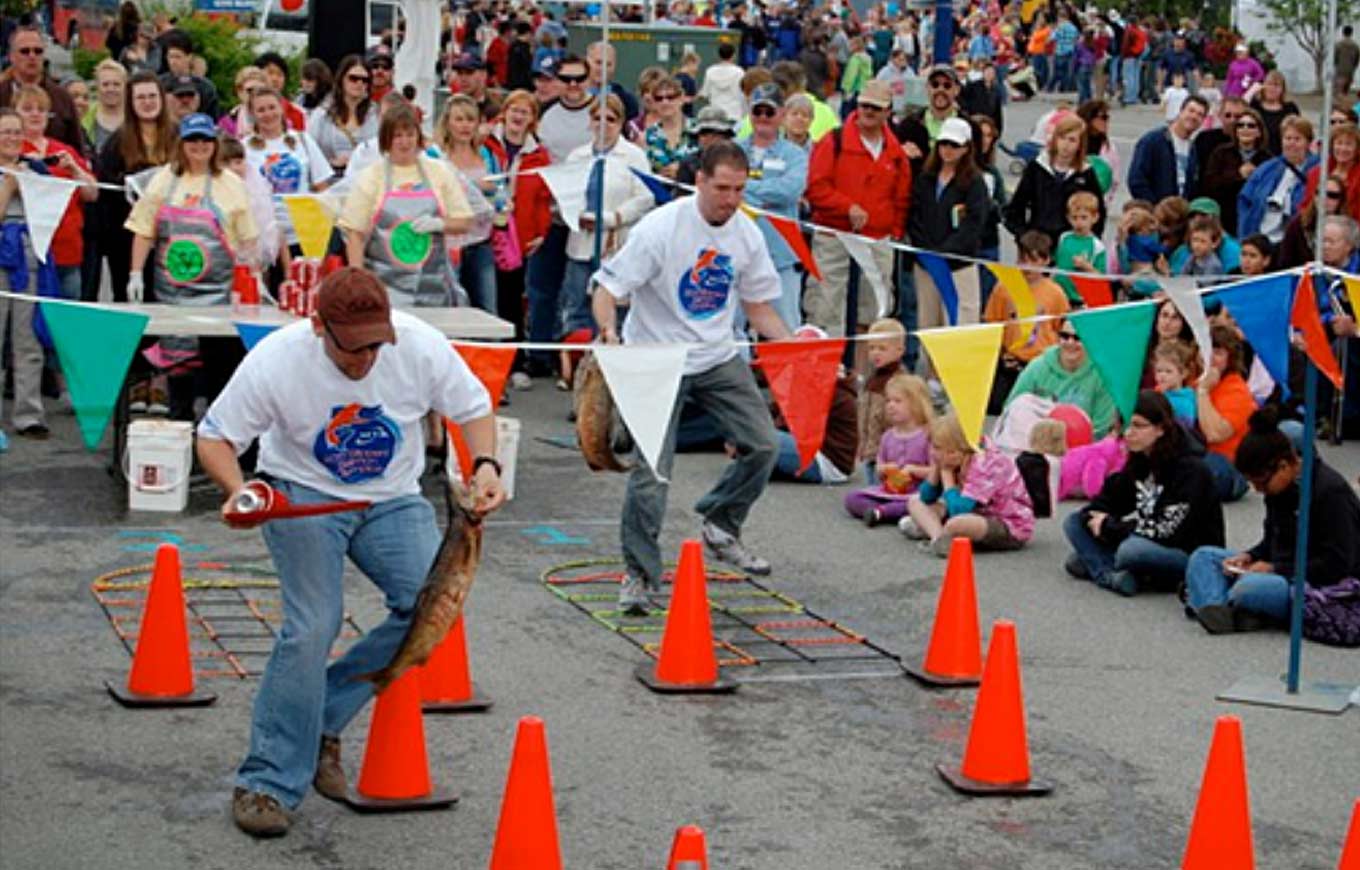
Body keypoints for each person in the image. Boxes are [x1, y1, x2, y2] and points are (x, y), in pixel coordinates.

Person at [196, 267, 506, 838]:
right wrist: (238, 490)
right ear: (318, 327)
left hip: (391, 498)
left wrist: (485, 465)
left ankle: (320, 719)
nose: (366, 360)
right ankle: (267, 780)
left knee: (428, 608)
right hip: (301, 495)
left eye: (376, 345)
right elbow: (214, 435)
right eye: (353, 349)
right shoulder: (278, 359)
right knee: (312, 626)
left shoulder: (417, 344)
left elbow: (472, 408)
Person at [590, 141, 792, 614]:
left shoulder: (747, 234)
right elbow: (608, 288)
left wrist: (793, 349)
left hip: (716, 355)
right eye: (722, 188)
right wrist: (607, 330)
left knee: (764, 444)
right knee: (651, 475)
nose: (731, 199)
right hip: (656, 357)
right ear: (699, 181)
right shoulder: (661, 228)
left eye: (740, 190)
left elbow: (759, 307)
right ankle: (639, 574)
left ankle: (721, 522)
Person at [125, 113, 259, 418]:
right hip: (173, 294)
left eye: (205, 140)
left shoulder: (231, 185)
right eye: (192, 140)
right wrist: (135, 274)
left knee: (220, 373)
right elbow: (144, 231)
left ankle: (217, 437)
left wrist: (252, 280)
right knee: (178, 367)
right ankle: (180, 434)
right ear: (181, 144)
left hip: (220, 296)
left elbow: (248, 239)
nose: (199, 146)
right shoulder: (163, 181)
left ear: (214, 144)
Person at [1186, 408, 1360, 633]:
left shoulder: (1330, 492)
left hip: (1317, 582)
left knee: (1249, 588)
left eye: (1261, 483)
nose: (1258, 491)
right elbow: (1271, 542)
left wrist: (1275, 569)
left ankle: (1219, 603)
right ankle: (1229, 611)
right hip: (1280, 570)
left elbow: (1337, 564)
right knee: (1204, 557)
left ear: (1284, 466)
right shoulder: (1278, 491)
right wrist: (1250, 556)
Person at [1063, 390, 1223, 596]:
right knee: (1073, 523)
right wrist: (1095, 516)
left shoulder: (1191, 469)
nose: (1128, 433)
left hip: (1186, 550)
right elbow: (1110, 500)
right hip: (1149, 538)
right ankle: (1116, 575)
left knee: (1129, 552)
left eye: (1138, 425)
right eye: (1125, 425)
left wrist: (1109, 527)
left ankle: (1108, 571)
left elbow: (1168, 530)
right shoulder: (1140, 459)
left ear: (1161, 429)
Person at [804, 80, 911, 339]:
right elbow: (816, 187)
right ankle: (829, 372)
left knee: (875, 311)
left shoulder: (895, 152)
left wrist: (893, 230)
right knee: (826, 309)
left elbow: (902, 195)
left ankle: (865, 373)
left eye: (876, 107)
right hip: (834, 234)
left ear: (888, 112)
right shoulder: (833, 141)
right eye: (864, 106)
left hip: (877, 238)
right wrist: (847, 207)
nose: (869, 112)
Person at [339, 101, 472, 307]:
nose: (404, 142)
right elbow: (354, 234)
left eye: (410, 135)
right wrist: (359, 283)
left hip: (434, 290)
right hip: (383, 290)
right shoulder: (371, 177)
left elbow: (465, 222)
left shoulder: (440, 172)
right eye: (397, 136)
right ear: (386, 140)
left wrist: (439, 224)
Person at [558, 93, 652, 379]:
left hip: (616, 243)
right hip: (581, 244)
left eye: (610, 119)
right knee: (576, 309)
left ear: (621, 123)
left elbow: (645, 197)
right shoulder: (578, 156)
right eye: (596, 118)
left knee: (615, 310)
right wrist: (575, 215)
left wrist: (613, 219)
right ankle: (576, 374)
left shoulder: (634, 156)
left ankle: (614, 374)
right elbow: (566, 193)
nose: (603, 125)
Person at [900, 411, 1034, 557]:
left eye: (937, 448)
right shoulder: (952, 460)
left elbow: (959, 511)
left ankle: (935, 531)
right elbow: (927, 497)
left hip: (1007, 524)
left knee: (957, 523)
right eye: (932, 446)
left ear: (955, 451)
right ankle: (939, 539)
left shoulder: (987, 463)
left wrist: (946, 476)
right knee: (915, 501)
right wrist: (936, 470)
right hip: (974, 513)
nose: (932, 452)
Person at [96, 71, 177, 304]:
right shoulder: (117, 142)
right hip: (127, 237)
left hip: (171, 234)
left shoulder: (178, 136)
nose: (148, 102)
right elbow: (108, 192)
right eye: (140, 98)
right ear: (131, 103)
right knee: (129, 297)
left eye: (152, 96)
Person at [0, 107, 56, 440]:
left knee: (28, 338)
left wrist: (31, 181)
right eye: (4, 132)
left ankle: (29, 414)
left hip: (28, 254)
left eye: (15, 132)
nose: (10, 138)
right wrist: (10, 184)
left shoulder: (35, 168)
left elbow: (58, 206)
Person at [14, 85, 97, 301]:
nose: (35, 114)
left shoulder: (65, 151)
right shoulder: (11, 150)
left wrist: (75, 169)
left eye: (41, 109)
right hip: (27, 251)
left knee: (68, 317)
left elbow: (92, 194)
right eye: (28, 109)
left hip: (67, 251)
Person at [907, 116, 989, 335]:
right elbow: (915, 216)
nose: (948, 150)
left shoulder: (974, 182)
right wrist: (925, 249)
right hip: (926, 264)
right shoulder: (925, 178)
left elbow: (974, 222)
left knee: (959, 326)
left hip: (958, 266)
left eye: (955, 145)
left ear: (966, 148)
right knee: (928, 326)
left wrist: (946, 251)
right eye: (944, 143)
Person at [244, 88, 335, 279]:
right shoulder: (244, 147)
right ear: (252, 114)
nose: (268, 114)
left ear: (282, 108)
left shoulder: (302, 140)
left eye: (272, 107)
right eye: (261, 110)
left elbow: (322, 186)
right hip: (265, 235)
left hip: (302, 233)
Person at [738, 83, 808, 331]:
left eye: (770, 112)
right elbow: (720, 188)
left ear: (781, 114)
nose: (763, 118)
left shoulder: (794, 154)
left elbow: (790, 190)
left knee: (786, 328)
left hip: (780, 256)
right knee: (729, 331)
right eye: (758, 112)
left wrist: (744, 189)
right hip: (737, 256)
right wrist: (766, 191)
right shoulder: (733, 150)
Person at [984, 230, 1070, 412]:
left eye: (1035, 260)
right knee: (997, 407)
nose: (1028, 267)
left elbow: (1060, 327)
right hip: (1011, 362)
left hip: (1041, 363)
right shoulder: (1003, 288)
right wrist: (1001, 355)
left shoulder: (1056, 293)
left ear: (1046, 261)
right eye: (1023, 260)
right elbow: (993, 323)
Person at [1003, 112, 1106, 249]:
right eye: (1062, 138)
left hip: (1070, 247)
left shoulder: (1086, 173)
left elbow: (1099, 212)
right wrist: (1023, 235)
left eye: (1072, 140)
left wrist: (1089, 241)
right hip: (1038, 246)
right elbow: (1016, 207)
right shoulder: (1037, 167)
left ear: (1080, 145)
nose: (1066, 145)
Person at [843, 372, 933, 526]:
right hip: (890, 490)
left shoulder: (928, 435)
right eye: (888, 401)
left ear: (916, 404)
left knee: (918, 505)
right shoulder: (888, 436)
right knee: (852, 498)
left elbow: (936, 471)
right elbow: (879, 466)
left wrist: (914, 470)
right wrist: (885, 468)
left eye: (898, 401)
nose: (891, 405)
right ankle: (879, 511)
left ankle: (882, 512)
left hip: (917, 493)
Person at [1004, 320, 1118, 439]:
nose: (1070, 342)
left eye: (1077, 337)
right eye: (1065, 336)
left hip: (1084, 447)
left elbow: (1101, 428)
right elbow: (1012, 407)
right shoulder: (1037, 367)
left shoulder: (1102, 375)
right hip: (1036, 443)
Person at [0, 25, 86, 151]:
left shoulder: (62, 97)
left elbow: (77, 147)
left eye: (38, 51)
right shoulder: (2, 93)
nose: (32, 56)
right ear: (11, 56)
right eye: (25, 51)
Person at [1195, 324, 1255, 502]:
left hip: (1227, 464)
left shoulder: (1237, 389)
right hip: (1196, 454)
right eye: (1206, 350)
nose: (1210, 358)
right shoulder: (1189, 379)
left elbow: (1214, 434)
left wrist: (1203, 392)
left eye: (1218, 352)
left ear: (1230, 358)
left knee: (1207, 470)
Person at [1237, 115, 1319, 243]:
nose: (1291, 143)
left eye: (1297, 139)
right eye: (1288, 138)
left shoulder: (1317, 171)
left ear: (1308, 143)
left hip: (1292, 244)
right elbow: (1245, 199)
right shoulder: (1267, 168)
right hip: (1261, 240)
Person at [855, 318, 910, 483]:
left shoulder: (901, 380)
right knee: (872, 488)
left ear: (899, 350)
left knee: (890, 489)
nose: (875, 353)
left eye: (882, 348)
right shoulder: (871, 378)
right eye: (871, 348)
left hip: (893, 455)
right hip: (870, 450)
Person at [1199, 107, 1266, 237]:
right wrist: (1238, 175)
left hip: (1255, 222)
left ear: (1259, 132)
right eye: (1241, 125)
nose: (1245, 129)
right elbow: (1209, 185)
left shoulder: (1267, 159)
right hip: (1224, 220)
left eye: (1251, 126)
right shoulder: (1221, 153)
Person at [1126, 95, 1207, 202]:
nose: (1194, 117)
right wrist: (1156, 209)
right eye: (1191, 111)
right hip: (1155, 213)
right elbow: (1136, 181)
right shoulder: (1153, 141)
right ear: (1181, 111)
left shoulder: (1194, 149)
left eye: (1200, 115)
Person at [306, 56, 378, 176]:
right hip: (330, 179)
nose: (359, 83)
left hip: (366, 180)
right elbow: (309, 150)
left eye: (365, 80)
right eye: (353, 78)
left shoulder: (377, 115)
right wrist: (330, 163)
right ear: (342, 79)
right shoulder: (322, 114)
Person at [1053, 190, 1107, 306]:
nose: (1079, 222)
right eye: (1075, 218)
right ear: (1068, 218)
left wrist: (1086, 266)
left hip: (1079, 298)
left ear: (1095, 218)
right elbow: (1057, 262)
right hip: (1059, 294)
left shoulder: (1097, 246)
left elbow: (1101, 277)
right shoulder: (1064, 237)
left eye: (1084, 218)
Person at [641, 75, 696, 180]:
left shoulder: (698, 131)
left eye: (670, 97)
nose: (664, 102)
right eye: (659, 98)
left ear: (681, 98)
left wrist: (684, 170)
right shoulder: (646, 137)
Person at [1248, 71, 1300, 157]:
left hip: (1283, 155)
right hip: (1257, 156)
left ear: (1282, 89)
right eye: (1269, 84)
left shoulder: (1290, 108)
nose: (1272, 88)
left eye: (1276, 85)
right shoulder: (1254, 106)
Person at [1152, 339, 1198, 424]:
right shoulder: (1155, 395)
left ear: (1183, 373)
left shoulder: (1184, 402)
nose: (1162, 375)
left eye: (1168, 371)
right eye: (1159, 371)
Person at [699, 41, 744, 125]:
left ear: (719, 55)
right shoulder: (739, 72)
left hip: (715, 114)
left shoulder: (710, 71)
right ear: (733, 55)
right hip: (734, 113)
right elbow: (743, 93)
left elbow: (705, 94)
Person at [1336, 25, 1360, 96]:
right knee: (1345, 93)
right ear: (1351, 33)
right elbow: (1357, 60)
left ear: (1343, 33)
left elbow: (1335, 59)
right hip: (1350, 71)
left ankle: (1341, 106)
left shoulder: (1338, 45)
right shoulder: (1355, 46)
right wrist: (1353, 68)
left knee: (1339, 92)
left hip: (1340, 71)